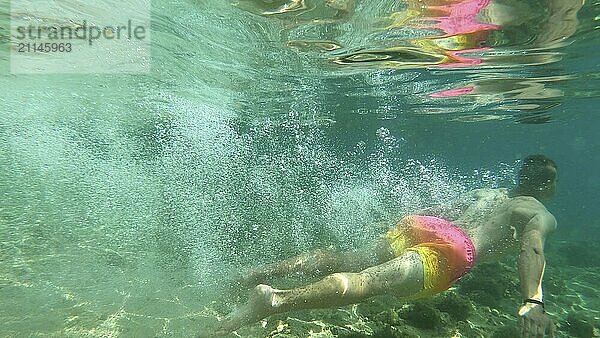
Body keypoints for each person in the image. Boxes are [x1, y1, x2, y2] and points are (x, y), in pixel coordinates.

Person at [215, 155, 558, 337]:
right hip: (455, 249)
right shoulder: (537, 211)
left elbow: (438, 213)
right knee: (367, 282)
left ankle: (251, 273)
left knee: (345, 259)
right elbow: (532, 249)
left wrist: (400, 224)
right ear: (548, 184)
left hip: (424, 226)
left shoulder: (487, 193)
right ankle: (273, 299)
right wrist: (532, 300)